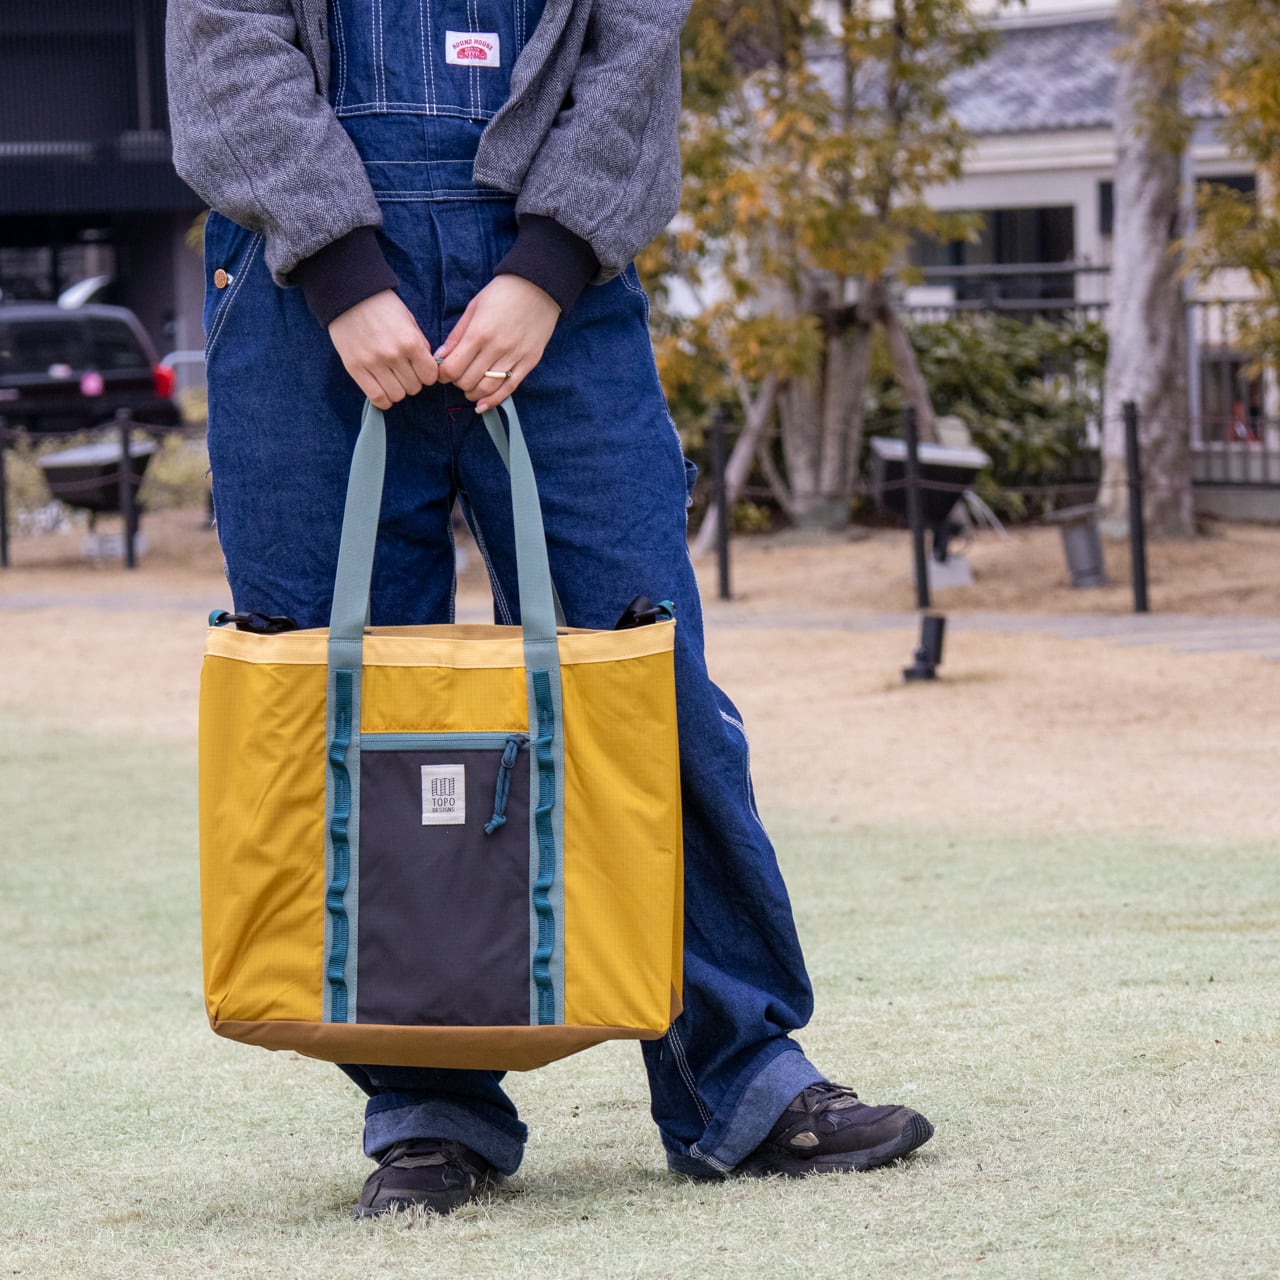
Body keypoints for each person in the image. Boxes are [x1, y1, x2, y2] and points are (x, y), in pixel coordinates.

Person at [166, 0, 934, 1218]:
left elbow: (632, 52)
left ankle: (736, 1074)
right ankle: (428, 1108)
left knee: (645, 686)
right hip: (298, 292)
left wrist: (544, 267)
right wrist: (342, 267)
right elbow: (226, 47)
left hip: (558, 298)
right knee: (356, 717)